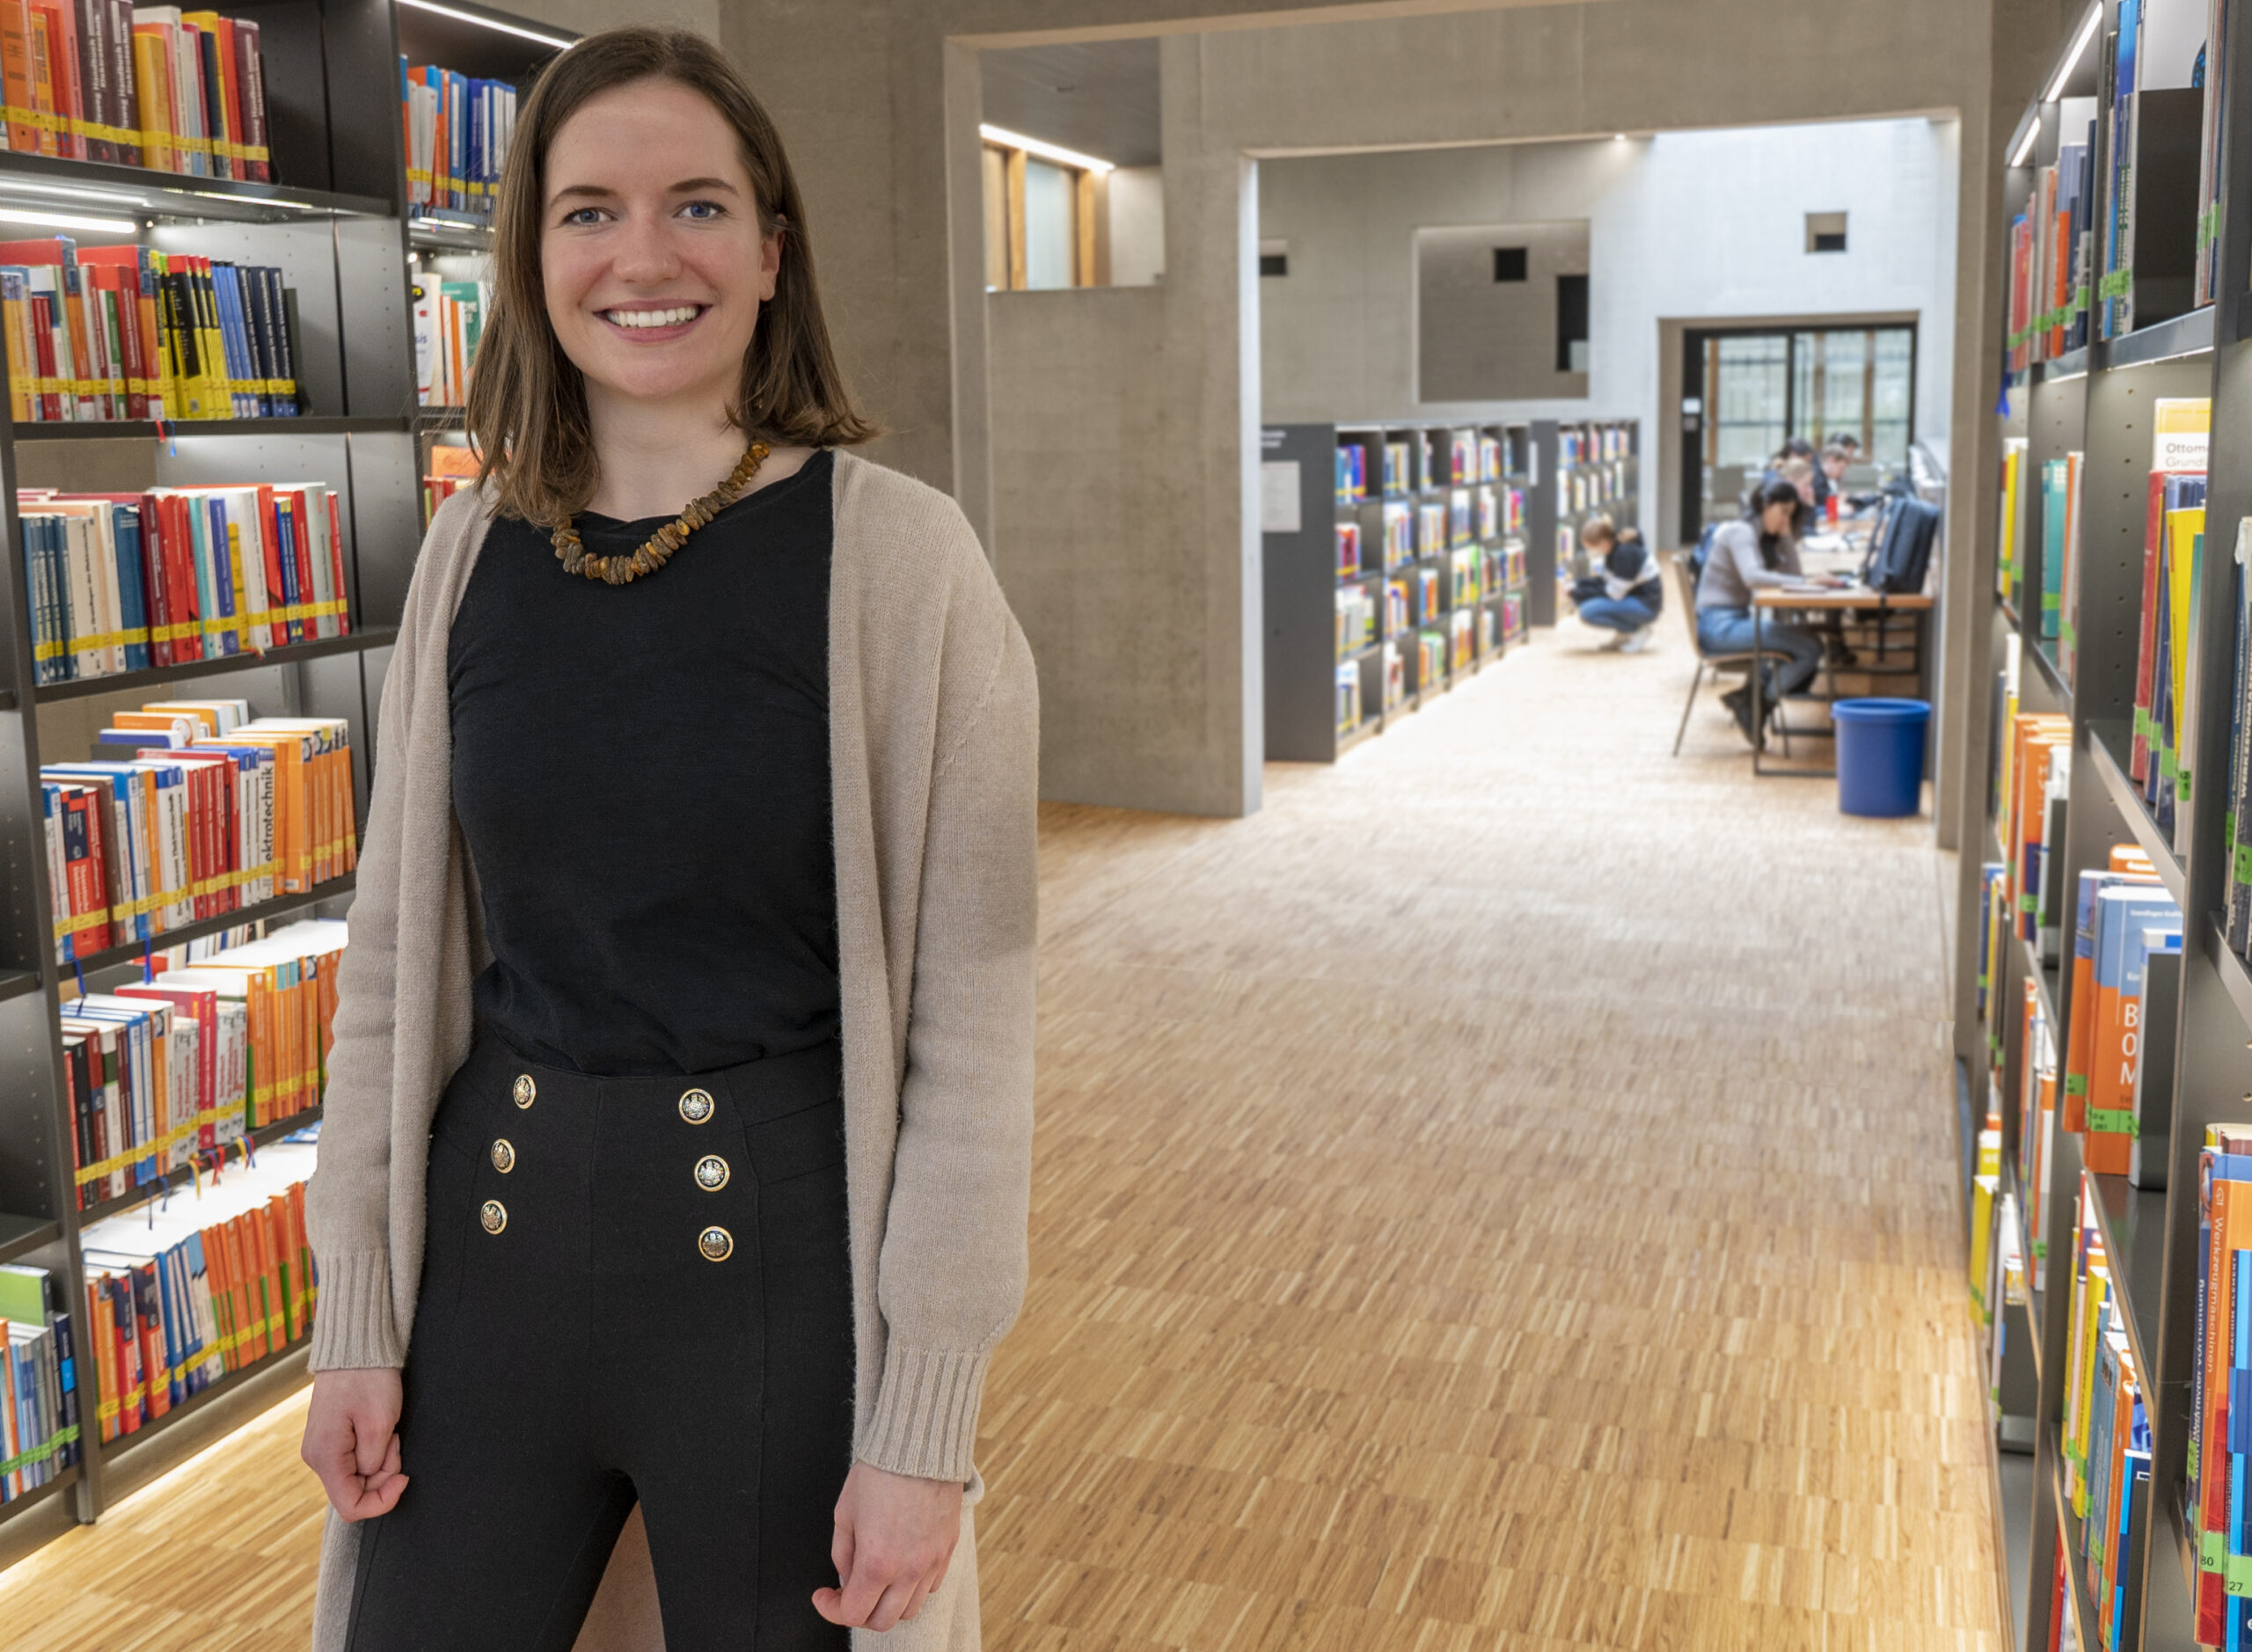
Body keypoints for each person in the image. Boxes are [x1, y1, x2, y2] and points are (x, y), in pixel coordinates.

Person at [298, 27, 1037, 1652]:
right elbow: (391, 970)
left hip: (776, 1283)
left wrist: (925, 1418)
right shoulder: (466, 553)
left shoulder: (904, 568)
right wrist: (353, 1313)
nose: (643, 256)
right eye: (588, 212)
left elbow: (974, 1036)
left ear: (773, 253)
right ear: (532, 255)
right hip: (486, 1266)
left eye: (697, 206)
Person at [1696, 476, 1839, 745]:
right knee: (1811, 647)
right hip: (1719, 627)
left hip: (1732, 621)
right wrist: (1807, 582)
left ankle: (1751, 701)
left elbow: (1793, 573)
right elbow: (1752, 577)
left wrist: (1785, 536)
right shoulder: (1741, 532)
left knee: (1804, 645)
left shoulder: (1760, 536)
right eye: (1783, 512)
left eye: (1791, 515)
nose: (1786, 519)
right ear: (1766, 504)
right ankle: (1755, 703)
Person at [1568, 514, 1662, 652]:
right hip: (1632, 598)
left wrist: (1578, 592)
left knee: (1587, 612)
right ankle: (1624, 633)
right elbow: (1604, 581)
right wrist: (1576, 585)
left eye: (1590, 548)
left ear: (1604, 543)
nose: (1589, 552)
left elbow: (1614, 593)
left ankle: (1637, 630)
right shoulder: (1613, 551)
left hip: (1645, 605)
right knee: (1583, 601)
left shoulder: (1624, 555)